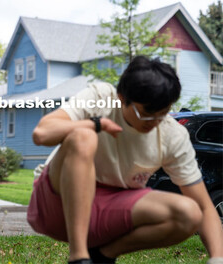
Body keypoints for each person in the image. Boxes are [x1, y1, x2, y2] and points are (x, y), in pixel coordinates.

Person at [28, 56, 223, 264]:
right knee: (82, 136)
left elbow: (203, 207)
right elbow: (42, 133)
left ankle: (104, 255)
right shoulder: (101, 98)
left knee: (189, 212)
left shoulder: (172, 134)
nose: (155, 122)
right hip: (56, 207)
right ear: (121, 97)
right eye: (147, 113)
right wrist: (95, 124)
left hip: (112, 208)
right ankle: (79, 257)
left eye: (163, 113)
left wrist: (217, 258)